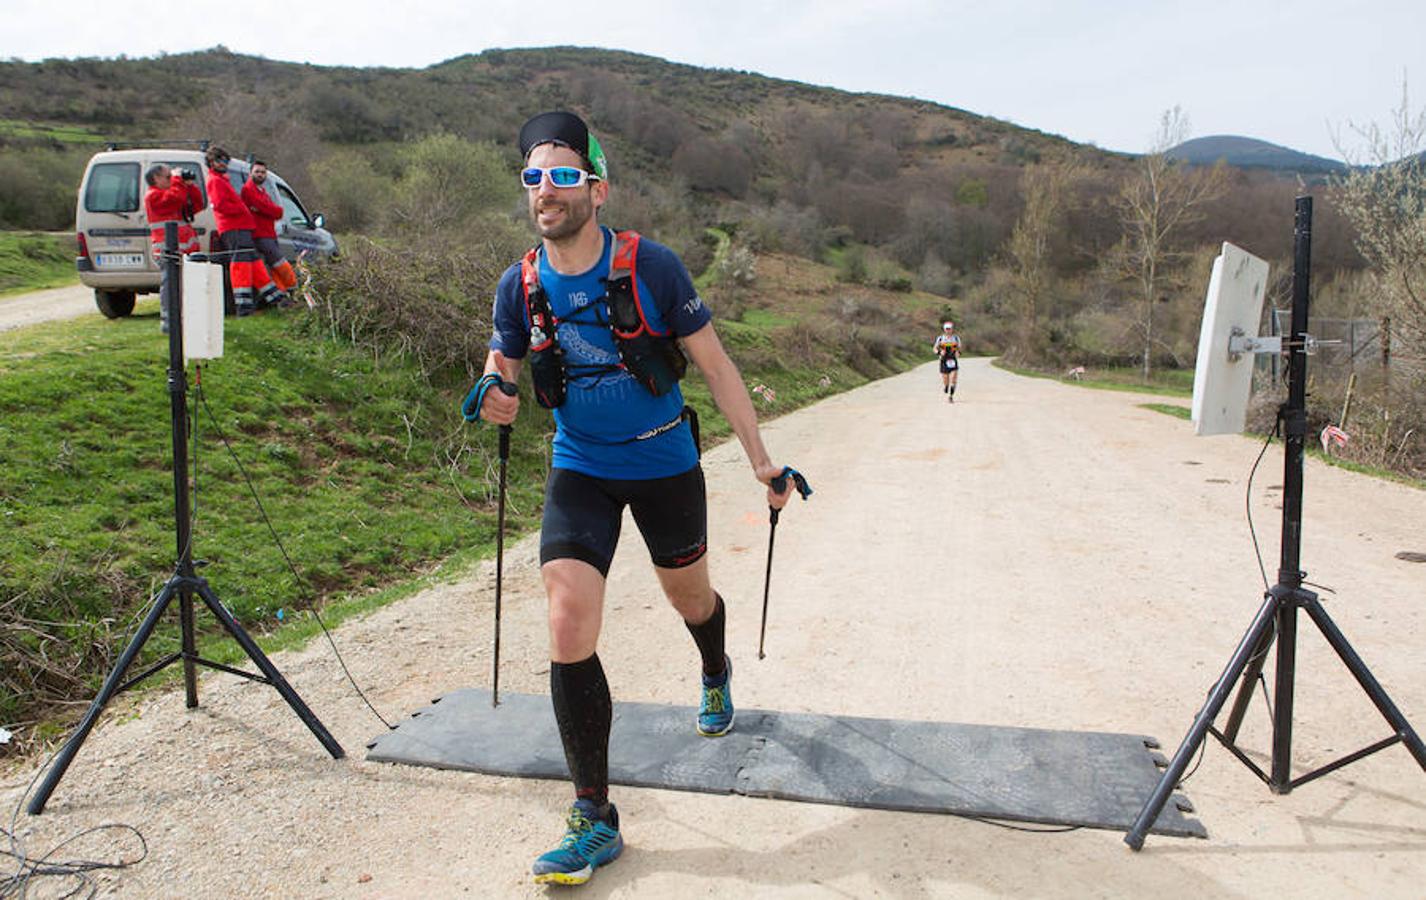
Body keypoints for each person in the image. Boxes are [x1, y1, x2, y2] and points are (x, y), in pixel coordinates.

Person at [469, 111, 798, 887]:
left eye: (562, 175)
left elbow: (714, 367)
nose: (545, 190)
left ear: (596, 187)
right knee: (565, 617)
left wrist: (760, 460)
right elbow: (501, 367)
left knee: (690, 599)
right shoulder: (518, 284)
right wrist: (492, 394)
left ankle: (713, 666)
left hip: (662, 463)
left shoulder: (654, 268)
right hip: (580, 465)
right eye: (532, 177)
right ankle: (593, 816)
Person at [204, 146, 282, 316]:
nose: (224, 164)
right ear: (212, 162)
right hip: (234, 228)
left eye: (226, 161)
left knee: (254, 262)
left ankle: (274, 298)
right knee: (241, 264)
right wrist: (242, 211)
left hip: (241, 227)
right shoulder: (215, 181)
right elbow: (220, 205)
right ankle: (244, 307)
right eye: (220, 161)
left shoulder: (222, 180)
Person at [143, 163, 206, 332]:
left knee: (186, 286)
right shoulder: (153, 196)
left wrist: (189, 185)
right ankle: (169, 322)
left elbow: (198, 205)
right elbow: (175, 199)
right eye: (168, 177)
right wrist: (178, 179)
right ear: (156, 179)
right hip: (167, 249)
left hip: (184, 248)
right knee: (170, 285)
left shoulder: (173, 192)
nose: (172, 180)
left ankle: (187, 319)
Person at [241, 160, 297, 301]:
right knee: (280, 263)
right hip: (260, 235)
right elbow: (274, 211)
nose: (260, 175)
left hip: (269, 233)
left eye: (263, 172)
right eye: (257, 172)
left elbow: (277, 212)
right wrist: (270, 210)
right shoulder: (248, 190)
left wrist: (269, 210)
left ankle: (283, 296)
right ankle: (296, 289)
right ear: (250, 173)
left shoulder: (263, 192)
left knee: (274, 267)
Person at [933, 320, 962, 401]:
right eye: (947, 329)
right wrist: (939, 352)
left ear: (952, 329)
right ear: (944, 329)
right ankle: (946, 387)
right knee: (946, 380)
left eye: (950, 329)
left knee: (953, 379)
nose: (948, 330)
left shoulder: (956, 338)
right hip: (944, 360)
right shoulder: (940, 338)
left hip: (953, 359)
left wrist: (958, 353)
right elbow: (934, 348)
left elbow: (959, 349)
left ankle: (951, 396)